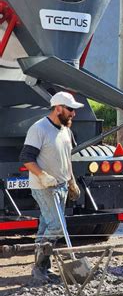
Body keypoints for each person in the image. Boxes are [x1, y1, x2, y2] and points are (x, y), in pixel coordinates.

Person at [20, 91, 83, 281]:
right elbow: (26, 158)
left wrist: (71, 181)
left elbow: (66, 159)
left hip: (62, 186)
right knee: (56, 226)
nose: (73, 114)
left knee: (46, 225)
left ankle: (42, 270)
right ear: (58, 109)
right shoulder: (39, 129)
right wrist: (43, 176)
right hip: (44, 187)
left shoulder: (66, 130)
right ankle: (40, 267)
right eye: (70, 109)